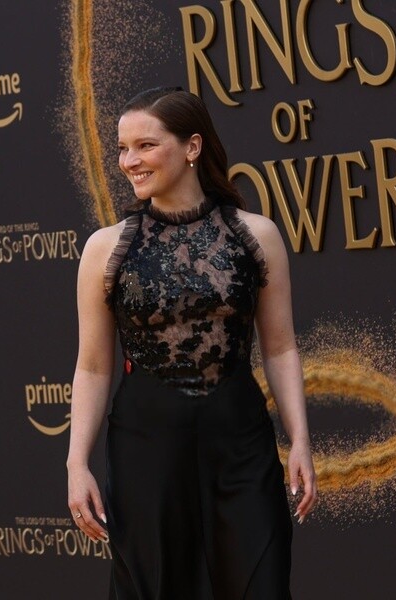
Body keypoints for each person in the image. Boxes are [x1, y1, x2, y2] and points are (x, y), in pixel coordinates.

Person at [65, 87, 317, 599]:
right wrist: (76, 464)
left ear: (192, 147)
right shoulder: (105, 249)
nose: (129, 161)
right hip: (145, 455)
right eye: (122, 148)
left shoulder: (257, 235)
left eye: (145, 145)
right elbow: (92, 367)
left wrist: (300, 439)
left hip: (241, 446)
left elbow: (280, 348)